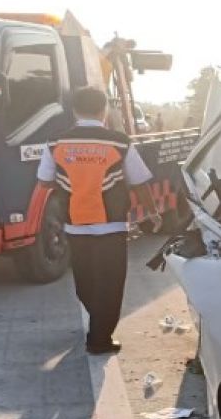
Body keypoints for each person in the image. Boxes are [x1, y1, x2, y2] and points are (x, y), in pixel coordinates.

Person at [37, 86, 160, 355]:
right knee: (111, 282)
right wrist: (151, 213)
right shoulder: (119, 142)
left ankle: (98, 322)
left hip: (75, 224)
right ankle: (99, 338)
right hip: (112, 226)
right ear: (104, 110)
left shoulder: (55, 143)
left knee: (86, 280)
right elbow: (139, 183)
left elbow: (44, 181)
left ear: (74, 111)